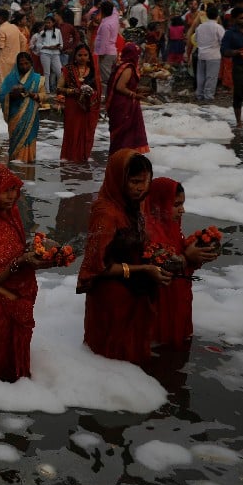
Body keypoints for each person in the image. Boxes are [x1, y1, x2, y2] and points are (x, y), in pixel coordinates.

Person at [76, 150, 169, 365]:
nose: (140, 188)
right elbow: (98, 267)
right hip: (111, 298)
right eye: (135, 182)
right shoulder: (106, 213)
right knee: (111, 359)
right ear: (119, 180)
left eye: (145, 182)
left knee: (131, 359)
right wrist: (144, 270)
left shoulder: (133, 204)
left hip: (133, 292)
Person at [0, 163, 54, 382]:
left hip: (19, 303)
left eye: (14, 189)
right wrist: (19, 262)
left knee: (17, 373)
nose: (12, 196)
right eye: (6, 190)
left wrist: (40, 255)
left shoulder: (11, 217)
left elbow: (16, 254)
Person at [143, 178, 219, 348]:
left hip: (176, 302)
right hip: (158, 308)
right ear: (158, 204)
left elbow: (182, 260)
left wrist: (200, 253)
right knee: (161, 354)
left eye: (182, 204)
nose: (182, 210)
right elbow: (158, 268)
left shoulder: (173, 229)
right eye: (176, 204)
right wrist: (187, 257)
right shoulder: (147, 233)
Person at [0, 52, 49, 163]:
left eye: (27, 63)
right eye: (21, 64)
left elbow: (44, 96)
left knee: (29, 140)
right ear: (17, 64)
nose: (24, 66)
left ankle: (28, 169)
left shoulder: (37, 79)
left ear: (31, 63)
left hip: (31, 117)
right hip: (15, 116)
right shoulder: (10, 79)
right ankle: (16, 169)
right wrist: (11, 95)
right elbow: (1, 96)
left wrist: (32, 94)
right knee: (15, 145)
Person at [57, 44, 102, 163]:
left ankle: (83, 158)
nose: (82, 58)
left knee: (86, 134)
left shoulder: (93, 72)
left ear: (89, 57)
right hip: (73, 106)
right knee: (72, 132)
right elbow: (59, 88)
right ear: (75, 56)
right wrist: (73, 91)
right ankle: (70, 159)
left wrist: (91, 93)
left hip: (88, 108)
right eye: (80, 55)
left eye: (85, 55)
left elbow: (98, 91)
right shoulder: (68, 70)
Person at [106, 43, 150, 154]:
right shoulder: (128, 67)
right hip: (123, 105)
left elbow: (128, 85)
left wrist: (138, 90)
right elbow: (120, 87)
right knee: (124, 135)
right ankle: (121, 158)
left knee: (125, 135)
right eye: (137, 55)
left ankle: (122, 157)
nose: (138, 57)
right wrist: (135, 95)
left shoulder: (123, 65)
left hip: (125, 104)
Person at [193, 4, 225, 102]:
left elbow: (196, 39)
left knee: (201, 75)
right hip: (213, 55)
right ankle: (208, 96)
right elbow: (223, 40)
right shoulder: (218, 27)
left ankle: (199, 94)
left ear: (206, 15)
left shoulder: (200, 27)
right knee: (211, 77)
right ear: (217, 16)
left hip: (201, 54)